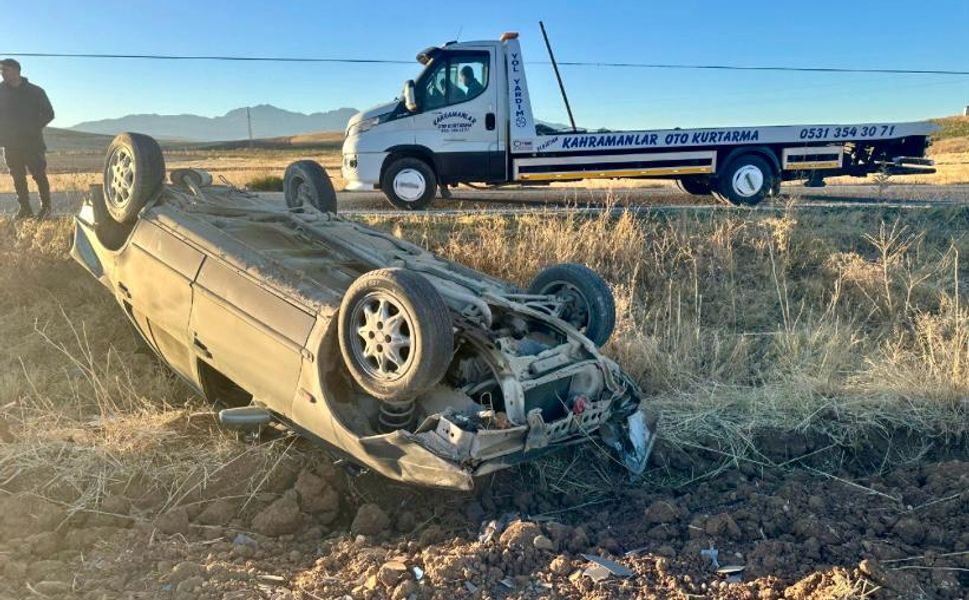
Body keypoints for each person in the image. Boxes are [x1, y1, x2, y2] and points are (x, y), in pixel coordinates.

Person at [0, 58, 54, 220]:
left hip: (32, 143)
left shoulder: (35, 92)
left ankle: (46, 208)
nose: (2, 73)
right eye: (1, 71)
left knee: (39, 175)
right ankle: (25, 209)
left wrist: (31, 129)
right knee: (17, 177)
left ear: (17, 71)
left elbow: (49, 114)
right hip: (10, 144)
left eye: (6, 70)